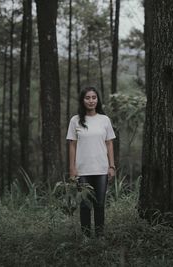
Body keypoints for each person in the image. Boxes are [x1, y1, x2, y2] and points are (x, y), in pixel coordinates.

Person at [66, 86, 116, 238]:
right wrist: (72, 168)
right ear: (83, 100)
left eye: (94, 97)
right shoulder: (75, 120)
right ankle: (87, 237)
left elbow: (109, 143)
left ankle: (100, 237)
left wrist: (112, 166)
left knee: (99, 204)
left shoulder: (104, 119)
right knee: (85, 205)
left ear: (97, 100)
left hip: (101, 169)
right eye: (87, 98)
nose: (91, 100)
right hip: (83, 170)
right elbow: (72, 145)